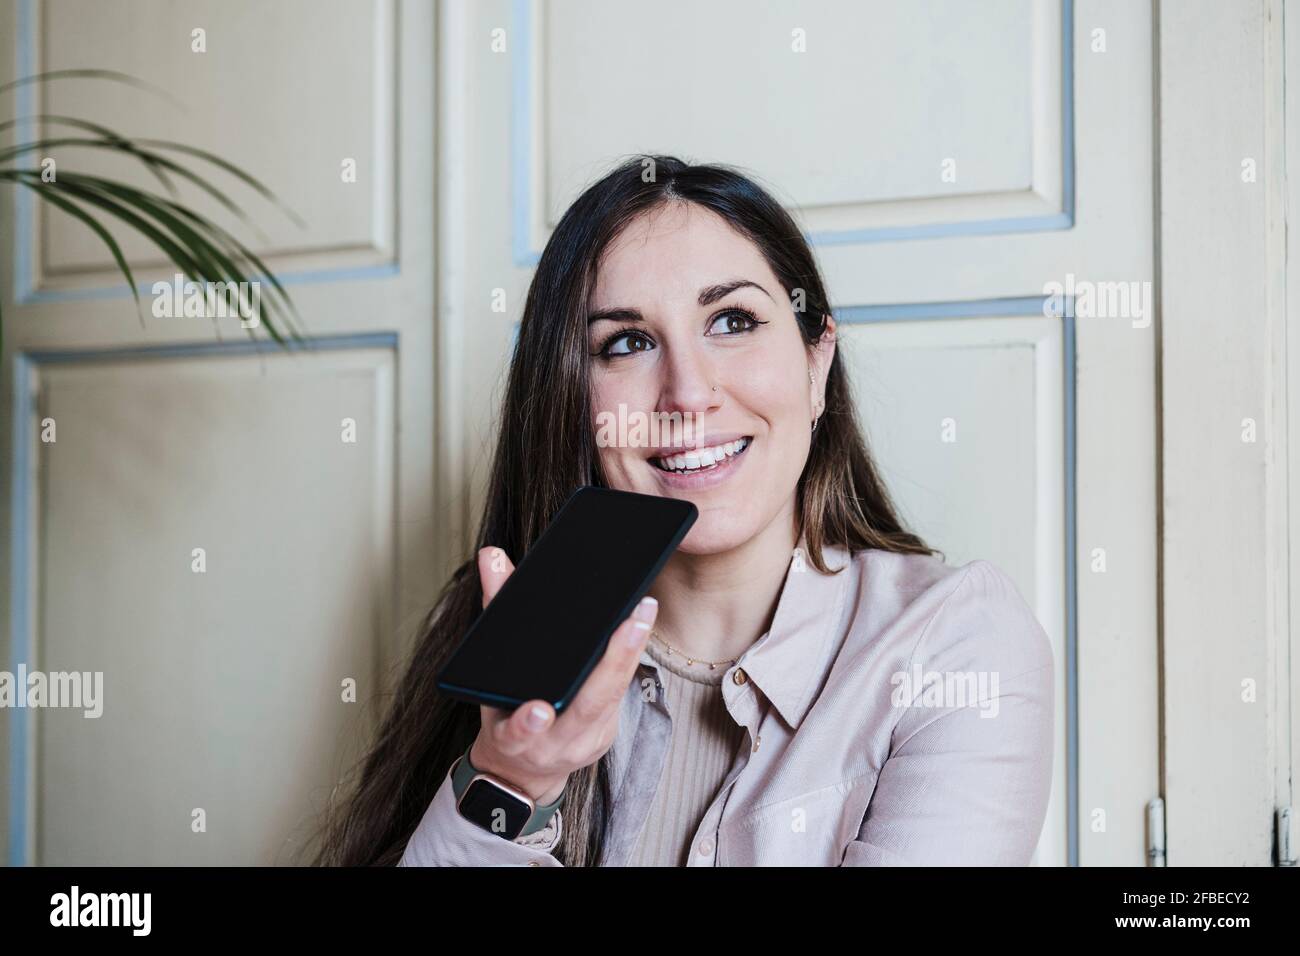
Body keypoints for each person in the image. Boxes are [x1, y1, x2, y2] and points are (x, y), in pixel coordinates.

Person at [313, 155, 1054, 867]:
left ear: (816, 364)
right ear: (574, 402)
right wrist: (511, 782)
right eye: (628, 342)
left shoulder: (952, 643)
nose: (688, 394)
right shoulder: (499, 626)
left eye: (732, 321)